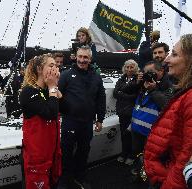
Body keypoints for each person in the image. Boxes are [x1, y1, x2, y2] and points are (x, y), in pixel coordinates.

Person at [144, 34, 192, 188]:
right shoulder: (184, 90)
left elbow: (186, 157)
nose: (166, 59)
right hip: (164, 170)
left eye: (175, 54)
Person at [58, 46, 106, 189]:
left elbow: (101, 98)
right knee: (66, 151)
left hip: (87, 123)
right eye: (80, 56)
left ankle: (80, 176)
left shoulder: (96, 77)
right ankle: (65, 178)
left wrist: (100, 119)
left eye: (85, 57)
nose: (82, 60)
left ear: (90, 59)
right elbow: (57, 95)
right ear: (75, 57)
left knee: (83, 151)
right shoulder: (66, 74)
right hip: (69, 121)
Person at [20, 54, 62, 189]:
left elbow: (68, 108)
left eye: (56, 65)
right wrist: (52, 87)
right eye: (51, 65)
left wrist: (55, 89)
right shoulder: (28, 91)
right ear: (39, 69)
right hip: (37, 158)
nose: (55, 68)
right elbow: (50, 113)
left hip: (52, 154)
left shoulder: (50, 91)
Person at [130, 60, 172, 178]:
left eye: (151, 72)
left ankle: (148, 177)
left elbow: (167, 105)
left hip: (152, 135)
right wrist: (137, 82)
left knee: (151, 160)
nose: (147, 75)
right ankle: (139, 172)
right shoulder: (143, 83)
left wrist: (154, 90)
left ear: (161, 71)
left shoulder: (168, 86)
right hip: (137, 130)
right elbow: (126, 91)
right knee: (137, 154)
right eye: (145, 72)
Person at [113, 59, 139, 165]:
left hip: (132, 112)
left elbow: (135, 96)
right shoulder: (122, 78)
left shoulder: (138, 80)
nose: (129, 69)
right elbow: (115, 93)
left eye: (131, 67)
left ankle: (132, 155)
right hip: (122, 111)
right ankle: (124, 153)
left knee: (132, 135)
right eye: (127, 67)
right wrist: (125, 94)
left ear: (135, 68)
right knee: (124, 134)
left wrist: (122, 93)